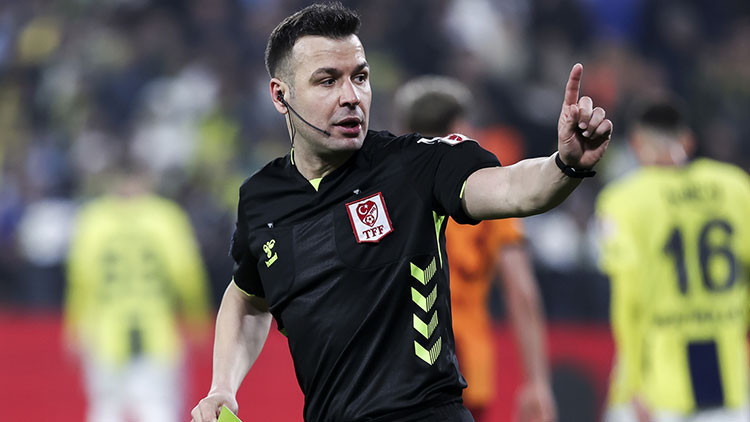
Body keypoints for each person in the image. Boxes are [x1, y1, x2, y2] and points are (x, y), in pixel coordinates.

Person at [191, 3, 611, 421]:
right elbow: (247, 298)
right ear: (281, 96)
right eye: (328, 81)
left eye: (360, 77)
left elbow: (514, 189)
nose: (351, 97)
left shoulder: (413, 164)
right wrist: (222, 386)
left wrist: (564, 164)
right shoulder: (261, 198)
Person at [394, 75, 555, 422]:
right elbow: (521, 291)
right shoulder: (489, 193)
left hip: (396, 368)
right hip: (464, 364)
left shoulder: (385, 192)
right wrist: (537, 382)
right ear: (459, 128)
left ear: (404, 129)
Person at [596, 98, 749, 422]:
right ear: (687, 141)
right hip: (730, 372)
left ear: (636, 143)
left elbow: (629, 297)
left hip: (661, 379)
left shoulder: (624, 200)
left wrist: (631, 380)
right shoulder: (735, 186)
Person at [64, 164, 211, 422]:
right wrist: (197, 318)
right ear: (147, 179)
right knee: (157, 406)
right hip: (156, 331)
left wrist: (74, 325)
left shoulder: (94, 219)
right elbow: (186, 272)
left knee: (106, 408)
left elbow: (80, 276)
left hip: (104, 333)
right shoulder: (165, 217)